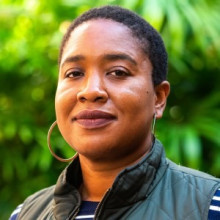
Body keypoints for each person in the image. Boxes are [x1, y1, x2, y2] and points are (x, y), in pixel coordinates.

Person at [10, 5, 220, 220]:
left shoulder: (210, 208)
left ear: (158, 98)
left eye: (118, 72)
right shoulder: (25, 214)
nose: (90, 91)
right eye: (74, 73)